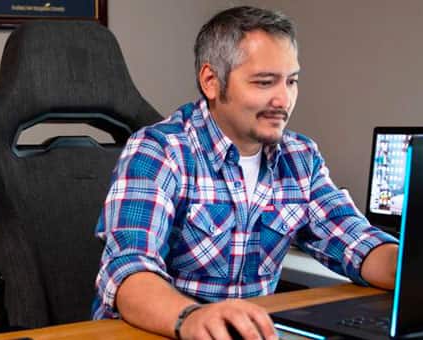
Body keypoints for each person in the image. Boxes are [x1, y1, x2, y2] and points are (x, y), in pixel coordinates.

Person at [92, 5, 399, 340]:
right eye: (265, 82)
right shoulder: (159, 150)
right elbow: (128, 272)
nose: (284, 99)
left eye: (291, 81)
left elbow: (356, 242)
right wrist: (191, 318)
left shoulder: (299, 157)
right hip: (163, 332)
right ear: (211, 81)